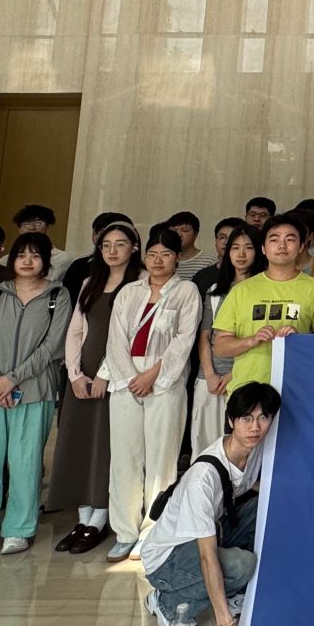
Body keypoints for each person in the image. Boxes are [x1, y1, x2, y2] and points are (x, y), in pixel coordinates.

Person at [140, 381, 279, 626]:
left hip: (211, 530)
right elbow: (207, 556)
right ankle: (167, 603)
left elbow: (243, 485)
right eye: (246, 419)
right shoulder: (202, 479)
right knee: (241, 565)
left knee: (266, 504)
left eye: (263, 418)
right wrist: (225, 624)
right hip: (167, 558)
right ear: (231, 421)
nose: (255, 427)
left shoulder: (252, 451)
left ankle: (232, 591)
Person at [0, 232, 71, 561]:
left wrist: (13, 378)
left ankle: (18, 529)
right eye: (21, 254)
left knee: (25, 463)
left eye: (35, 255)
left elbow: (52, 346)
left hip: (34, 390)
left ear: (45, 261)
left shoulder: (58, 295)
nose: (27, 261)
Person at [100, 225, 203, 562]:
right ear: (144, 257)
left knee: (162, 459)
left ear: (177, 258)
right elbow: (115, 340)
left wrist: (152, 376)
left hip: (164, 381)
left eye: (166, 254)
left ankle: (152, 530)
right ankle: (125, 531)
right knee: (124, 457)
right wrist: (132, 378)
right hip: (126, 379)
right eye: (153, 254)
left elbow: (184, 340)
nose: (158, 260)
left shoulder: (186, 291)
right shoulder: (129, 291)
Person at [48, 221, 138, 554]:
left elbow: (128, 337)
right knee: (78, 442)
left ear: (134, 247)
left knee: (105, 445)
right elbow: (75, 331)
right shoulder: (90, 282)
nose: (113, 251)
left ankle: (100, 515)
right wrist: (75, 374)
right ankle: (82, 516)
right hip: (82, 377)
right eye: (106, 245)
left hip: (116, 376)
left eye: (120, 244)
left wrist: (104, 374)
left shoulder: (140, 284)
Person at [210, 214, 314, 384]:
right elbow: (220, 347)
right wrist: (253, 340)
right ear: (263, 248)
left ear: (301, 246)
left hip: (297, 386)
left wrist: (299, 340)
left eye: (290, 239)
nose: (282, 245)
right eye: (274, 239)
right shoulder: (241, 290)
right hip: (248, 388)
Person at [192, 221, 261, 452]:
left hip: (245, 376)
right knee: (205, 444)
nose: (241, 254)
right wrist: (210, 374)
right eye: (235, 247)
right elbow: (205, 336)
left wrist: (233, 374)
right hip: (209, 378)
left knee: (239, 446)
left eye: (248, 248)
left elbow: (261, 339)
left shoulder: (264, 292)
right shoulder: (215, 291)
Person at [168, 211, 206, 280]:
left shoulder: (208, 262)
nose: (179, 235)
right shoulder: (164, 260)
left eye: (184, 230)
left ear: (196, 234)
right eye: (174, 231)